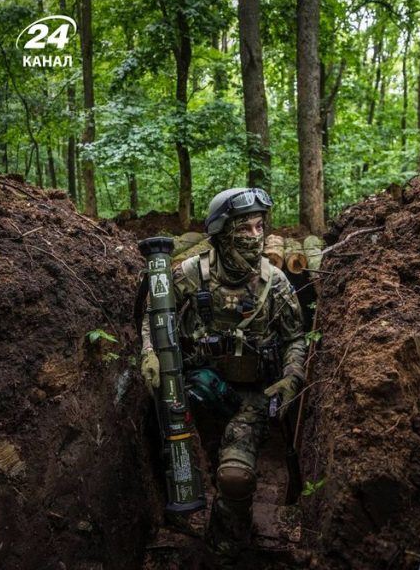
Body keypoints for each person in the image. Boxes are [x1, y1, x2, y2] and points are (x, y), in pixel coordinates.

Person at [139, 187, 306, 561]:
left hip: (252, 396)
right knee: (218, 463)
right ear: (222, 231)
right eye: (244, 228)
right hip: (201, 390)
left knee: (235, 475)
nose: (255, 236)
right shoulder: (190, 274)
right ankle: (229, 523)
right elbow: (155, 314)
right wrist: (149, 354)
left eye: (259, 226)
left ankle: (224, 551)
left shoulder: (274, 282)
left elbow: (296, 338)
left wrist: (290, 378)